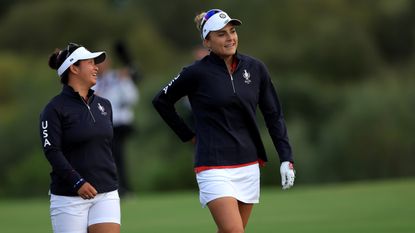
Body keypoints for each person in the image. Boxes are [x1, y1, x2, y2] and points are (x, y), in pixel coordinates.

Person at [152, 9, 296, 233]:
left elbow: (273, 115)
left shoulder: (255, 68)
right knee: (233, 231)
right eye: (221, 34)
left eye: (232, 31)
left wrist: (286, 157)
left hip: (248, 164)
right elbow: (161, 101)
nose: (230, 38)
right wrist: (188, 135)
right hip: (213, 165)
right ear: (207, 41)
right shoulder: (195, 73)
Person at [39, 43, 120, 233]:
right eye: (90, 63)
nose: (96, 67)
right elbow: (52, 150)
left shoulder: (105, 105)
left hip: (106, 192)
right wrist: (78, 182)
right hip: (69, 197)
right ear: (74, 68)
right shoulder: (53, 109)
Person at [94, 53, 139, 197]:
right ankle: (112, 187)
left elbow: (132, 98)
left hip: (119, 124)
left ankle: (122, 188)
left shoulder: (118, 77)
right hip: (101, 124)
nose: (100, 66)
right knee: (108, 157)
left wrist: (123, 82)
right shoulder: (93, 81)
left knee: (117, 156)